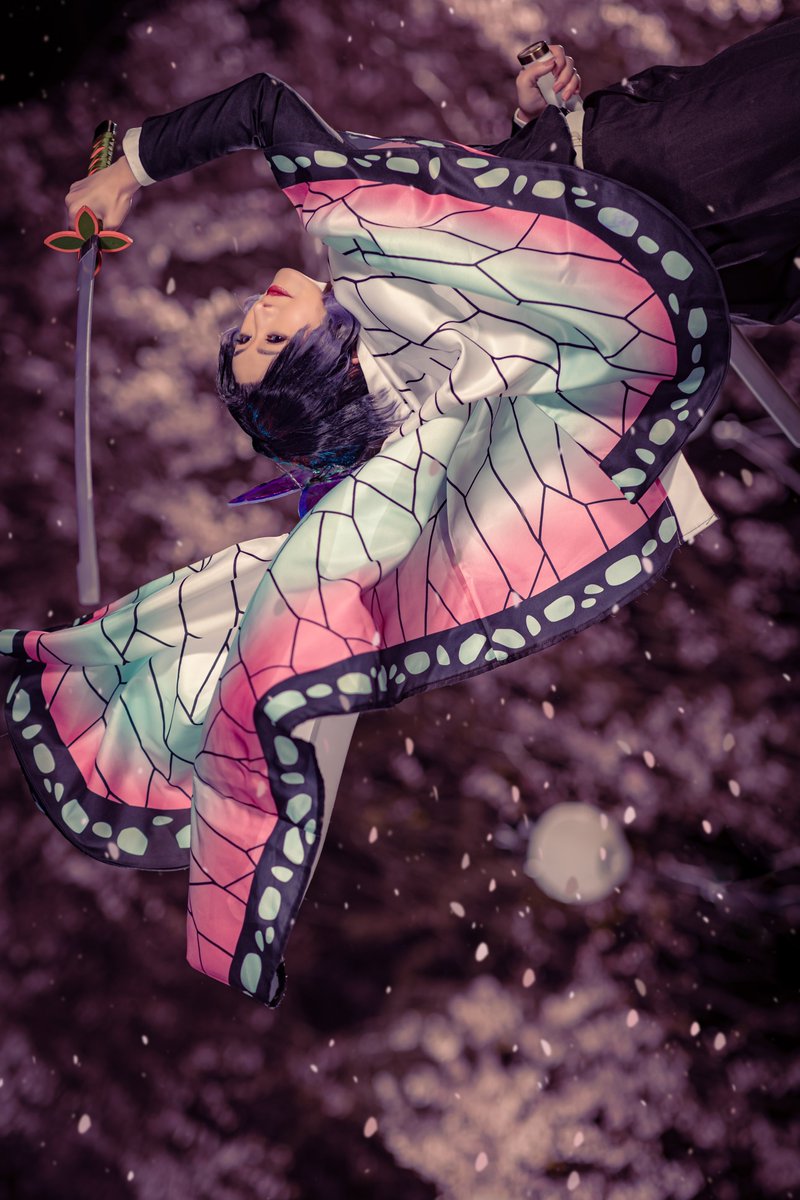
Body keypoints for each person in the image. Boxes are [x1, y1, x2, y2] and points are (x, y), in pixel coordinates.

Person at [2, 18, 792, 1010]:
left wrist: (532, 127)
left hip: (664, 185)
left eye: (241, 333)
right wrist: (133, 160)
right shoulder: (390, 306)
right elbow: (264, 107)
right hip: (696, 205)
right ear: (325, 371)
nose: (252, 314)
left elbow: (502, 230)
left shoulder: (398, 285)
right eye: (263, 341)